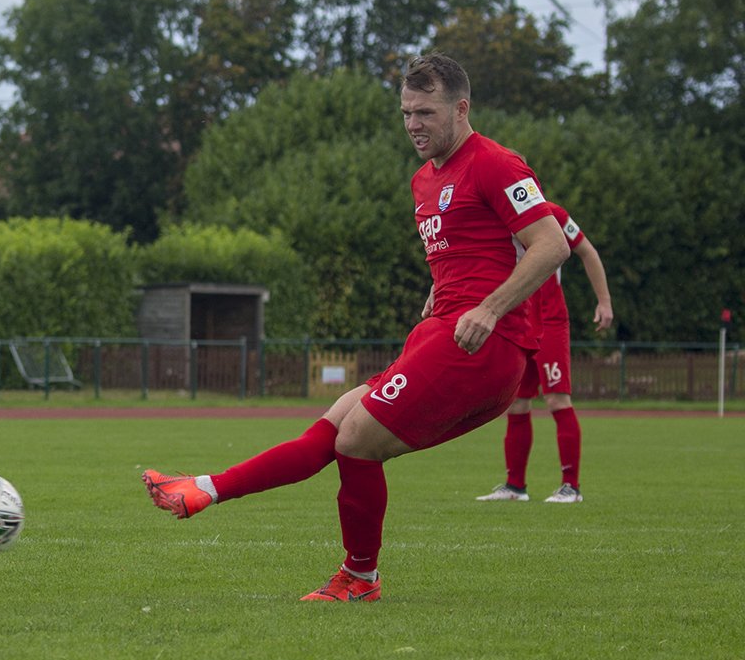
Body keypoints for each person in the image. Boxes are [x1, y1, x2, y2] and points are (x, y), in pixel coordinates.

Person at [143, 54, 569, 601]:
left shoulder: (497, 163)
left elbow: (551, 244)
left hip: (482, 345)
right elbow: (471, 251)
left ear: (461, 109)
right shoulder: (424, 180)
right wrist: (441, 287)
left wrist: (487, 308)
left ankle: (361, 578)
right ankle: (203, 489)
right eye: (406, 113)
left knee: (358, 440)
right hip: (440, 332)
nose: (413, 124)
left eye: (426, 112)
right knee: (335, 423)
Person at [476, 202, 614, 504]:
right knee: (516, 403)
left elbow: (587, 251)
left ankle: (571, 487)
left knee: (556, 399)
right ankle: (515, 486)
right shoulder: (494, 218)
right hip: (517, 322)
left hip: (550, 321)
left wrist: (603, 302)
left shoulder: (552, 214)